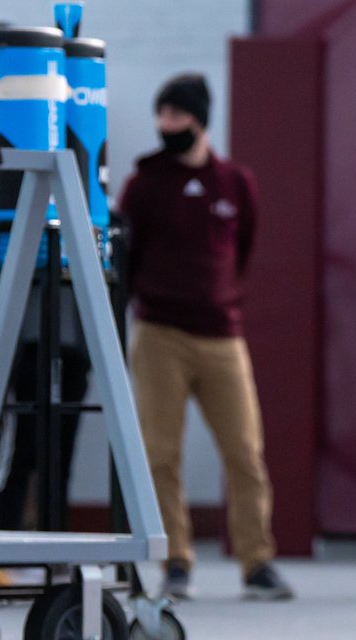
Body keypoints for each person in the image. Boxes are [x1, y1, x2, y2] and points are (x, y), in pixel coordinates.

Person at [119, 73, 293, 601]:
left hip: (222, 336)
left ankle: (257, 563)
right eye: (161, 114)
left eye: (175, 115)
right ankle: (176, 562)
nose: (164, 124)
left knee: (244, 452)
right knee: (161, 455)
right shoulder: (143, 183)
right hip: (159, 335)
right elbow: (127, 259)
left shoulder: (236, 183)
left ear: (198, 119)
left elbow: (242, 251)